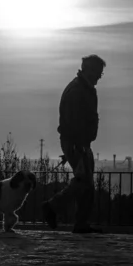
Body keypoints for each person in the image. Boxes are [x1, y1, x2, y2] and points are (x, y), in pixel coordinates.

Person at [42, 54, 106, 234]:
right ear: (88, 69)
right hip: (78, 142)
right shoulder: (78, 90)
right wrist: (76, 146)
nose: (99, 77)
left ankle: (81, 223)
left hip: (80, 142)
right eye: (98, 72)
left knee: (87, 183)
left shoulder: (84, 89)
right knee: (83, 181)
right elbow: (73, 121)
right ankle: (52, 206)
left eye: (101, 73)